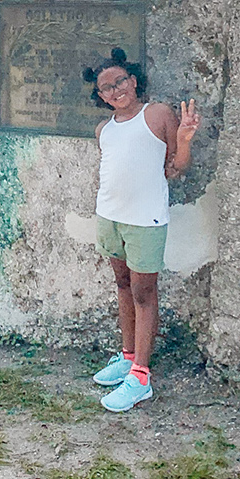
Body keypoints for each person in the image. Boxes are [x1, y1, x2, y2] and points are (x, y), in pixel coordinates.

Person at [82, 47, 199, 412]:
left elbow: (174, 168)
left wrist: (184, 140)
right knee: (122, 286)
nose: (116, 90)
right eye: (106, 88)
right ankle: (127, 355)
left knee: (144, 293)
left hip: (145, 220)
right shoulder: (104, 130)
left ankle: (141, 376)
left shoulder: (157, 114)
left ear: (133, 81)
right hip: (109, 217)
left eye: (120, 81)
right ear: (101, 97)